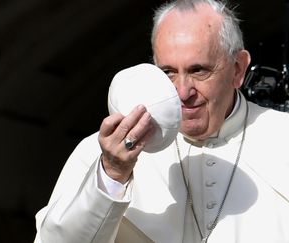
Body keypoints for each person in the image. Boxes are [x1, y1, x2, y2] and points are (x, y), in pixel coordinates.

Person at [34, 0, 289, 242]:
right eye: (168, 72)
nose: (183, 92)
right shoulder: (103, 154)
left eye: (198, 70)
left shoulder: (282, 137)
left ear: (238, 69)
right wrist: (112, 174)